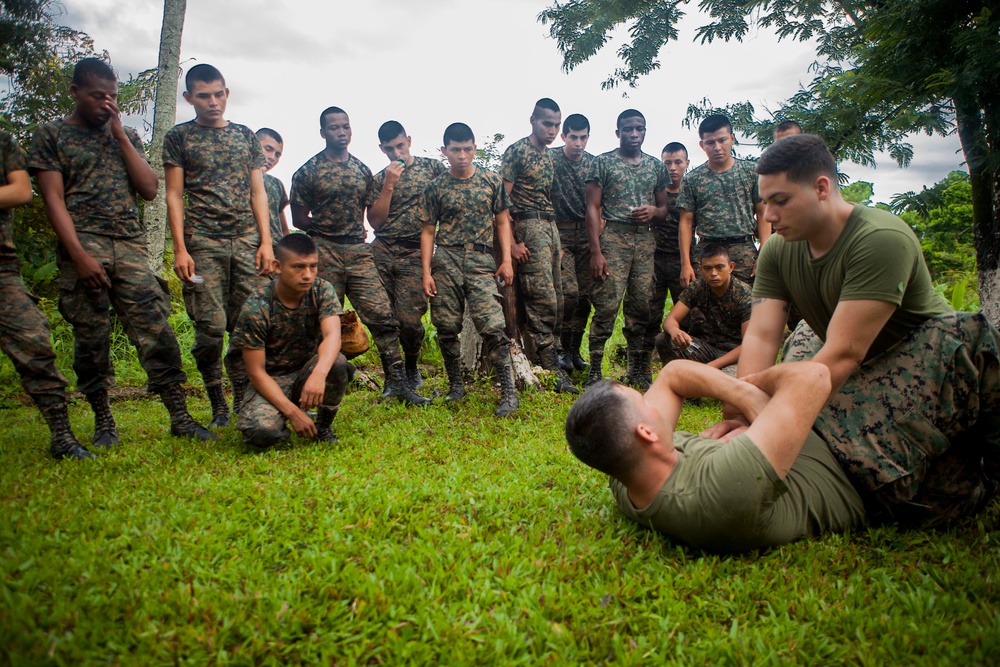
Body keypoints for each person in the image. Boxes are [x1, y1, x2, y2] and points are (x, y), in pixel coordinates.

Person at [708, 133, 999, 525]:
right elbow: (761, 335)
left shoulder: (879, 239)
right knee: (935, 506)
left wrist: (769, 424)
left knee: (893, 490)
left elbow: (843, 355)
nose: (769, 216)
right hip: (853, 364)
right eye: (765, 203)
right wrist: (740, 412)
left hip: (928, 362)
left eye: (781, 201)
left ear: (822, 188)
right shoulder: (778, 250)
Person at [30, 58, 213, 447]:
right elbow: (52, 200)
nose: (106, 103)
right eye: (98, 96)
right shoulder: (51, 135)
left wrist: (120, 134)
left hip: (129, 245)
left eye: (112, 97)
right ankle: (104, 423)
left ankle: (180, 417)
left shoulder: (124, 134)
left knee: (156, 329)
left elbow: (149, 189)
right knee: (91, 339)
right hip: (84, 246)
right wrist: (78, 256)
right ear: (75, 92)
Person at [565, 360, 867, 553]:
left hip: (797, 439)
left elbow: (673, 374)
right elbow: (815, 377)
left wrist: (745, 403)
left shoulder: (627, 477)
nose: (654, 402)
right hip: (853, 457)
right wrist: (756, 398)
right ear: (646, 433)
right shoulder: (723, 486)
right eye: (646, 402)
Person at [289, 106, 430, 406]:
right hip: (323, 250)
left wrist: (388, 187)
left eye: (345, 127)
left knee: (383, 317)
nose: (341, 132)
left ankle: (398, 384)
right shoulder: (307, 171)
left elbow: (375, 217)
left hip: (358, 250)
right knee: (322, 320)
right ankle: (312, 386)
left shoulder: (362, 172)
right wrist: (324, 231)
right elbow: (300, 219)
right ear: (323, 132)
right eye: (334, 128)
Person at [164, 64, 273, 428]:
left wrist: (266, 243)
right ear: (189, 98)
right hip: (203, 242)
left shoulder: (245, 136)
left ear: (227, 93)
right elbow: (174, 195)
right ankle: (217, 403)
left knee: (249, 325)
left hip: (246, 241)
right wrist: (180, 248)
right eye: (204, 96)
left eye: (219, 94)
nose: (213, 102)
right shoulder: (179, 138)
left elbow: (258, 192)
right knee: (210, 328)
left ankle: (243, 397)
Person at [1, 128, 95, 460]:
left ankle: (62, 436)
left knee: (35, 343)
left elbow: (22, 190)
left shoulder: (3, 139)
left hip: (2, 268)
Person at [421, 122, 519, 417]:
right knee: (446, 326)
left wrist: (506, 260)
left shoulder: (491, 181)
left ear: (474, 149)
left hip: (480, 260)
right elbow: (427, 231)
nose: (461, 155)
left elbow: (503, 221)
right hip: (446, 260)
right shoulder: (435, 187)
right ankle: (455, 386)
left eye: (467, 149)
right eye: (455, 150)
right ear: (444, 152)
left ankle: (509, 392)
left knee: (492, 325)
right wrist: (426, 271)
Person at [231, 233, 353, 449]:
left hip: (306, 372)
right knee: (261, 433)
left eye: (313, 267)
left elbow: (333, 335)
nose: (307, 275)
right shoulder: (257, 306)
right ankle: (285, 419)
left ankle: (322, 426)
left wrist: (318, 374)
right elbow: (256, 372)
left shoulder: (322, 289)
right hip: (270, 380)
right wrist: (293, 413)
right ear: (277, 267)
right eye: (298, 267)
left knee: (337, 362)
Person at [585, 109, 670, 389]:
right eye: (628, 129)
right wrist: (596, 251)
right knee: (607, 304)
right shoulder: (603, 163)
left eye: (640, 129)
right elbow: (592, 207)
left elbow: (665, 209)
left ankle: (636, 369)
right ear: (618, 132)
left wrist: (654, 211)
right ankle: (595, 369)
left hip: (644, 242)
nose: (634, 134)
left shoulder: (656, 167)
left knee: (641, 306)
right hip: (613, 239)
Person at [501, 98, 576, 393]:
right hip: (527, 227)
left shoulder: (549, 157)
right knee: (542, 299)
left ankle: (555, 356)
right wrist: (512, 244)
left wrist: (554, 236)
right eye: (548, 123)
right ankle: (550, 369)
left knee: (561, 294)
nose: (553, 130)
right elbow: (501, 205)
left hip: (549, 227)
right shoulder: (517, 151)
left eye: (557, 125)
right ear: (533, 120)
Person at [367, 121, 447, 390]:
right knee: (383, 319)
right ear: (381, 149)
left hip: (415, 251)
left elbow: (449, 199)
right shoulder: (379, 179)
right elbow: (375, 222)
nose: (396, 153)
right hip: (383, 249)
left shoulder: (433, 168)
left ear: (409, 140)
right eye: (389, 149)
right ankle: (393, 375)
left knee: (410, 320)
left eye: (400, 145)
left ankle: (412, 367)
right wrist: (389, 185)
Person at [678, 114, 768, 287]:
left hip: (743, 251)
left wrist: (764, 251)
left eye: (722, 140)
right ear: (702, 145)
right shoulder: (692, 179)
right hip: (707, 251)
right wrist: (686, 264)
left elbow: (763, 212)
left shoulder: (751, 173)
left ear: (732, 139)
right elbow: (686, 222)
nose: (717, 147)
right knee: (704, 310)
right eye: (710, 143)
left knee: (748, 308)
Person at [656, 243, 751, 370]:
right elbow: (670, 320)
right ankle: (678, 378)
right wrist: (676, 332)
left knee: (724, 383)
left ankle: (700, 376)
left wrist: (711, 367)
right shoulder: (698, 287)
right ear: (700, 269)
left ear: (731, 267)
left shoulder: (744, 295)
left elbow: (749, 345)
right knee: (664, 339)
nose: (713, 273)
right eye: (707, 268)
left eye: (719, 267)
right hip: (707, 350)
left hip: (735, 356)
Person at [550, 113, 594, 373]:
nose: (578, 143)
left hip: (587, 236)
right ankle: (561, 350)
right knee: (568, 294)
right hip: (561, 233)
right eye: (574, 137)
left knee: (585, 298)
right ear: (564, 136)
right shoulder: (552, 160)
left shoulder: (593, 164)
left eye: (583, 137)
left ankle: (575, 350)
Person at [645, 142, 697, 358]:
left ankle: (687, 354)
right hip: (655, 258)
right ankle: (646, 356)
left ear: (687, 163)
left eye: (678, 162)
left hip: (683, 260)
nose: (673, 167)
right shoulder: (656, 193)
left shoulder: (692, 192)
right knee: (649, 310)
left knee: (688, 312)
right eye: (667, 163)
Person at [256, 127, 290, 250]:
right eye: (268, 149)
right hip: (248, 249)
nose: (272, 158)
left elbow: (283, 229)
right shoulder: (236, 179)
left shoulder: (276, 184)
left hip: (276, 250)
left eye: (277, 155)